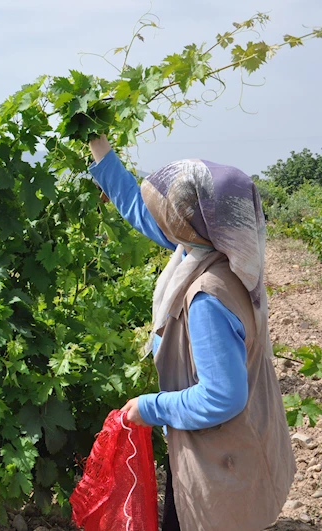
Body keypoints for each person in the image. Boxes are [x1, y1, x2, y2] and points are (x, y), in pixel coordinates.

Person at [87, 135, 295, 530]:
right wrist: (101, 149)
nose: (160, 219)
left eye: (170, 211)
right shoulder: (224, 251)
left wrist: (151, 407)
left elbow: (223, 396)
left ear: (187, 223)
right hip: (242, 446)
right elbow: (140, 211)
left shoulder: (206, 299)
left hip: (220, 459)